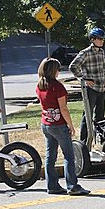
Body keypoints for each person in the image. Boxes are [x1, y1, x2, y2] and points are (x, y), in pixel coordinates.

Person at [35, 58, 90, 195]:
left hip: (46, 124)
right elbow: (63, 108)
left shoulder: (40, 86)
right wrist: (70, 125)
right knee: (69, 156)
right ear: (54, 71)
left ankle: (52, 185)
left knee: (50, 156)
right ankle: (72, 186)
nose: (60, 72)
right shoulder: (57, 87)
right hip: (59, 125)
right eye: (58, 69)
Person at [69, 27, 105, 142]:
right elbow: (73, 66)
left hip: (101, 88)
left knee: (100, 117)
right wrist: (83, 79)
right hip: (90, 89)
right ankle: (84, 141)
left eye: (103, 39)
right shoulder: (85, 53)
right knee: (88, 116)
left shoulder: (102, 52)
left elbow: (103, 68)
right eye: (100, 39)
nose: (102, 41)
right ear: (92, 39)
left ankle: (101, 139)